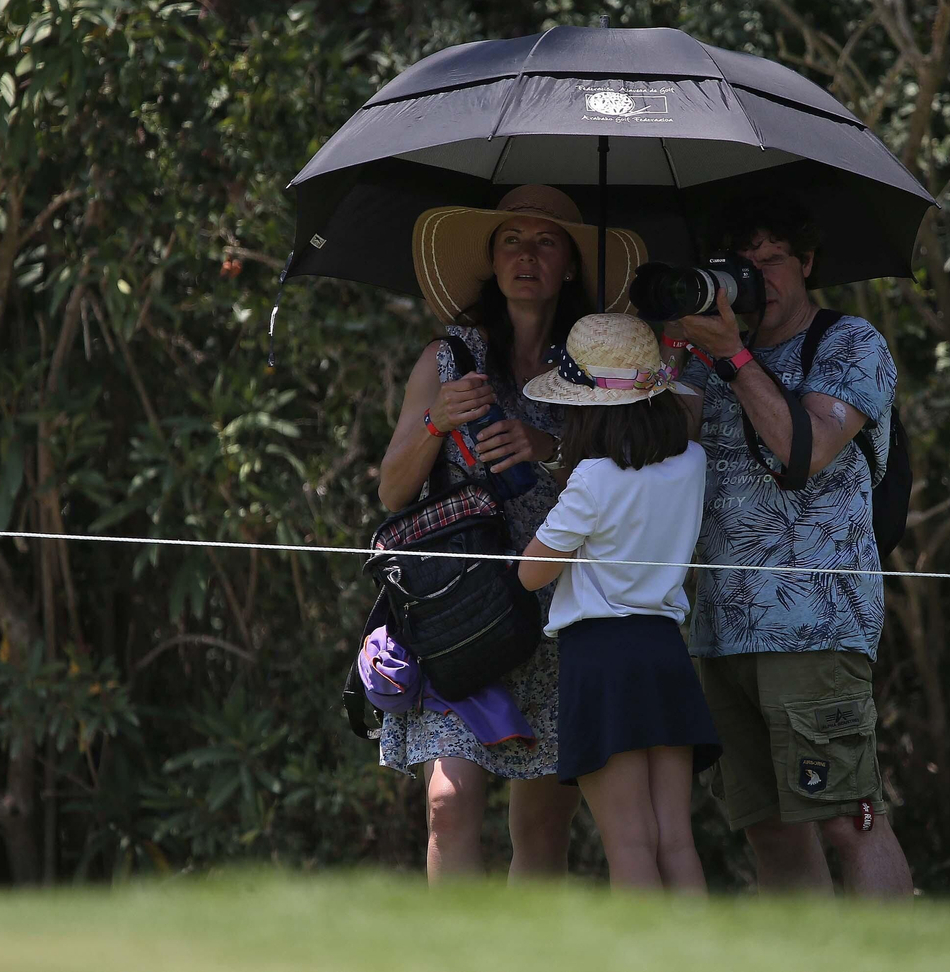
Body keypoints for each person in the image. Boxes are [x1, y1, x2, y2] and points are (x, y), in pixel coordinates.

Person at [376, 184, 648, 883]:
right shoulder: (446, 358)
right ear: (492, 264)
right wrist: (436, 423)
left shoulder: (597, 368)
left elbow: (632, 487)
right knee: (447, 801)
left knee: (542, 821)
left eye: (546, 242)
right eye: (511, 242)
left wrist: (546, 447)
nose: (527, 256)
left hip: (562, 608)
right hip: (458, 610)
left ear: (568, 267)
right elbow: (391, 490)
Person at [667, 194, 913, 896]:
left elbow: (799, 451)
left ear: (807, 262)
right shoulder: (704, 355)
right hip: (717, 629)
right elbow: (658, 451)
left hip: (816, 624)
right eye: (742, 264)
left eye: (772, 261)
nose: (757, 278)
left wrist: (733, 356)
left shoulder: (850, 344)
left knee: (848, 819)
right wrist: (655, 354)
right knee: (769, 829)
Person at [516, 313, 719, 892]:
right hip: (664, 651)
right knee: (674, 838)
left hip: (602, 658)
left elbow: (531, 573)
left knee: (629, 841)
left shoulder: (592, 479)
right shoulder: (692, 464)